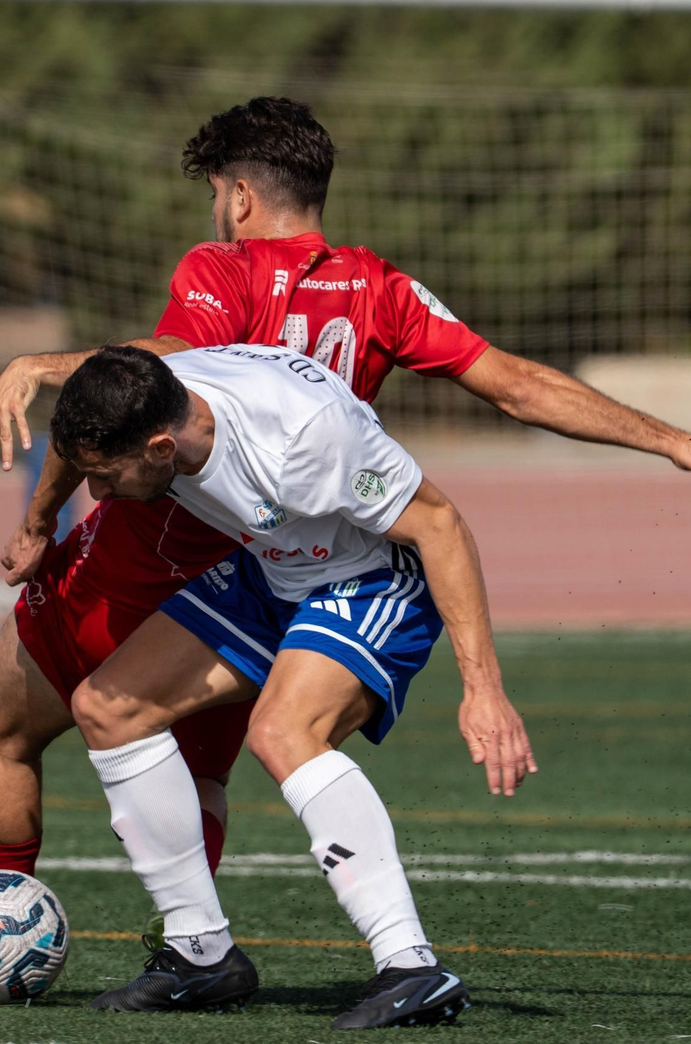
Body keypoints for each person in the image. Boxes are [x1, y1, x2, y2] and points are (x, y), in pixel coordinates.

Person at [0, 98, 691, 995]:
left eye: (217, 191)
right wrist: (673, 440)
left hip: (268, 551)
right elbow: (518, 386)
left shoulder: (222, 274)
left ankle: (401, 963)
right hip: (255, 556)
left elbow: (172, 358)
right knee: (130, 719)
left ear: (242, 196)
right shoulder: (383, 288)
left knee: (43, 722)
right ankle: (198, 953)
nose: (216, 209)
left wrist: (41, 370)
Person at [50, 343, 532, 1029]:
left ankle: (411, 966)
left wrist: (483, 690)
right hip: (272, 572)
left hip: (369, 576)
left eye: (106, 476)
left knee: (282, 732)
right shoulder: (151, 391)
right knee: (106, 708)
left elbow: (439, 524)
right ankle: (200, 954)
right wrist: (39, 519)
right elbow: (84, 425)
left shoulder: (304, 438)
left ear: (160, 446)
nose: (96, 494)